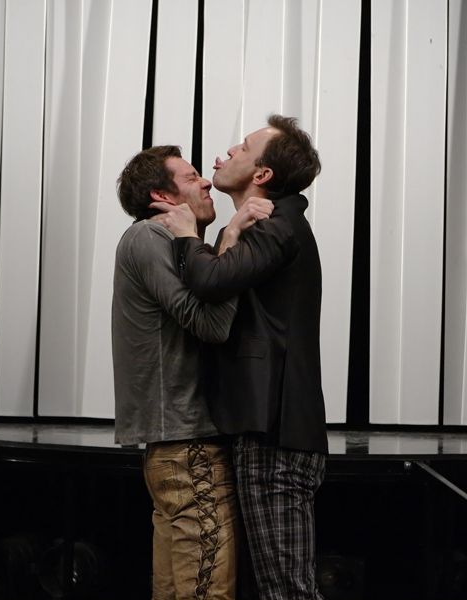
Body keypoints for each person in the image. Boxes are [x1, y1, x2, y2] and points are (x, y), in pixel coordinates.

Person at [152, 115, 328, 600]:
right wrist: (226, 233)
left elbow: (210, 283)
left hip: (276, 435)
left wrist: (187, 236)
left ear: (262, 174)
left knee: (286, 591)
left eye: (243, 148)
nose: (227, 152)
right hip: (270, 431)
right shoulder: (263, 225)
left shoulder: (276, 225)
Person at [112, 145, 269, 600]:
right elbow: (211, 325)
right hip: (189, 448)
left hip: (179, 448)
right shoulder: (150, 236)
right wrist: (230, 239)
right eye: (191, 176)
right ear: (162, 197)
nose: (205, 182)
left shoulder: (163, 241)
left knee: (177, 590)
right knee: (207, 591)